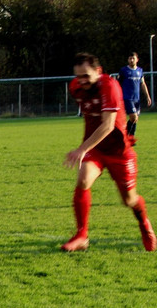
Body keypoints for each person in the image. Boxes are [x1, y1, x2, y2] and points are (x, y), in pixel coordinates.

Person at [62, 52, 155, 252]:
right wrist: (86, 148)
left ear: (98, 71)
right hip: (95, 149)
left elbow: (107, 125)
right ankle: (81, 235)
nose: (82, 81)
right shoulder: (75, 87)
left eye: (86, 76)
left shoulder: (110, 86)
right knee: (83, 180)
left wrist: (81, 149)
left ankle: (144, 223)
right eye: (78, 76)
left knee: (129, 200)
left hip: (119, 151)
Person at [116, 52, 151, 137]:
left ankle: (128, 136)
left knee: (135, 119)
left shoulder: (140, 70)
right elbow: (117, 83)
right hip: (127, 97)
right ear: (128, 60)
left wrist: (148, 96)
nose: (131, 60)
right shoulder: (124, 70)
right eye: (130, 59)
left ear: (137, 60)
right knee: (133, 117)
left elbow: (142, 83)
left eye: (133, 58)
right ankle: (130, 135)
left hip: (137, 98)